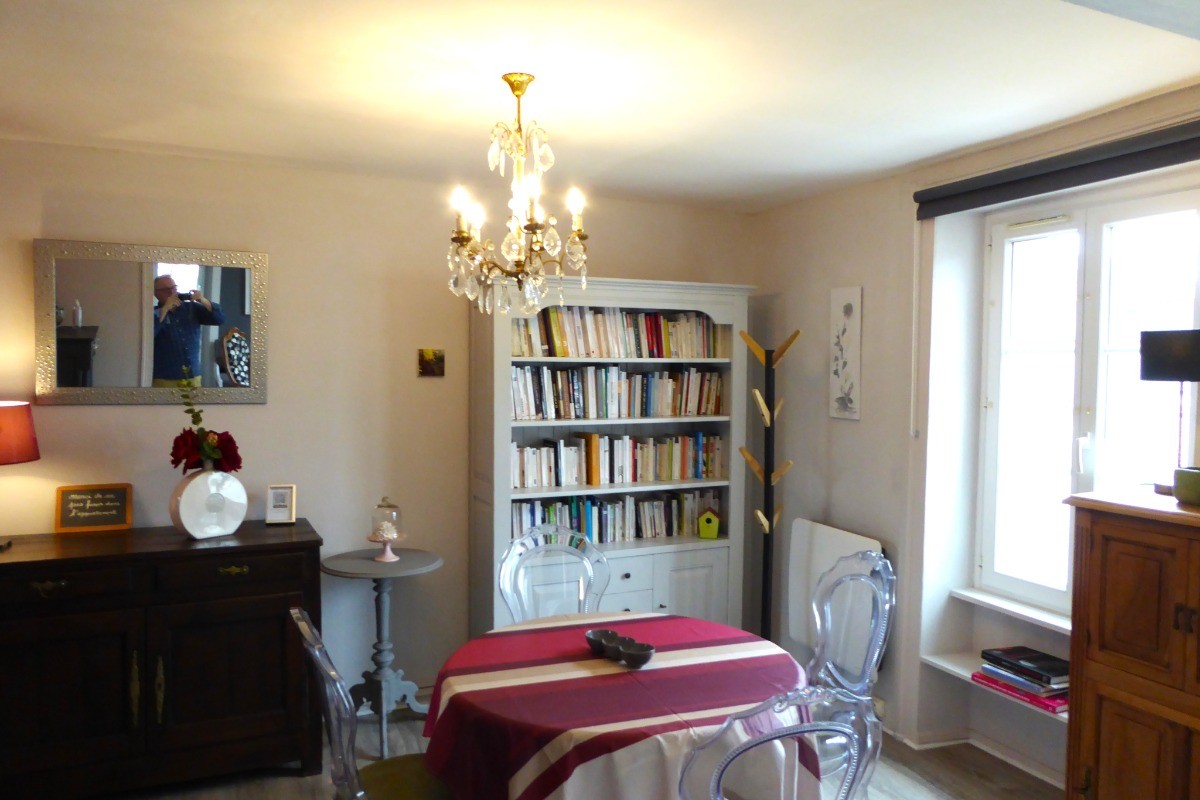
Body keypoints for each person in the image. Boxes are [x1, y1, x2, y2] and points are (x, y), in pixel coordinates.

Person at [152, 274, 225, 387]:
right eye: (166, 290)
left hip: (193, 375)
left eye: (174, 288)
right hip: (165, 377)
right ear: (156, 293)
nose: (172, 292)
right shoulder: (152, 313)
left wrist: (203, 300)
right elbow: (149, 334)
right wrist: (165, 308)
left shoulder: (191, 308)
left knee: (192, 405)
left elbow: (219, 319)